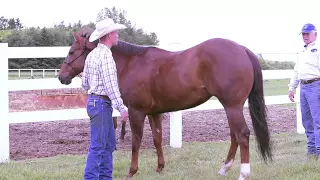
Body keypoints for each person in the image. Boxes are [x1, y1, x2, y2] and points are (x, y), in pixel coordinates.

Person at [81, 18, 129, 179]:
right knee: (99, 146)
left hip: (94, 102)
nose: (117, 35)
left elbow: (85, 83)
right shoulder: (107, 57)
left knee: (107, 145)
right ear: (109, 35)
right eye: (116, 32)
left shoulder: (92, 55)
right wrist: (121, 108)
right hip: (102, 103)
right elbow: (111, 86)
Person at [288, 23, 320, 160]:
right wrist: (292, 87)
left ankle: (319, 150)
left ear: (315, 34)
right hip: (303, 87)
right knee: (306, 121)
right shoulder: (301, 52)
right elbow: (296, 71)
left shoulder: (318, 49)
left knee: (318, 121)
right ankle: (312, 149)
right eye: (303, 34)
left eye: (307, 33)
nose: (305, 36)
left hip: (315, 86)